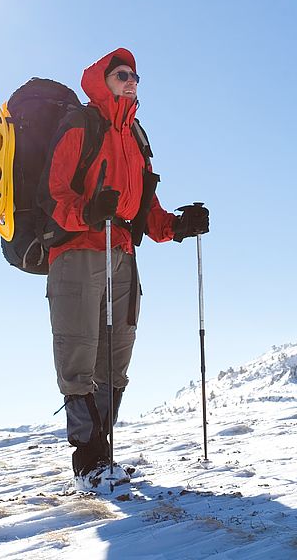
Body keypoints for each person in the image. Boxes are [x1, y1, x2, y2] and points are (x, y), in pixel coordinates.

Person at [38, 48, 209, 481]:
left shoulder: (136, 136)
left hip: (123, 257)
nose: (131, 80)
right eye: (122, 74)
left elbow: (146, 210)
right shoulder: (82, 125)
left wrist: (179, 226)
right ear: (103, 79)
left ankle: (104, 453)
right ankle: (88, 461)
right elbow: (54, 195)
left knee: (115, 362)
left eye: (135, 75)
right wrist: (90, 213)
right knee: (78, 358)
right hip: (78, 253)